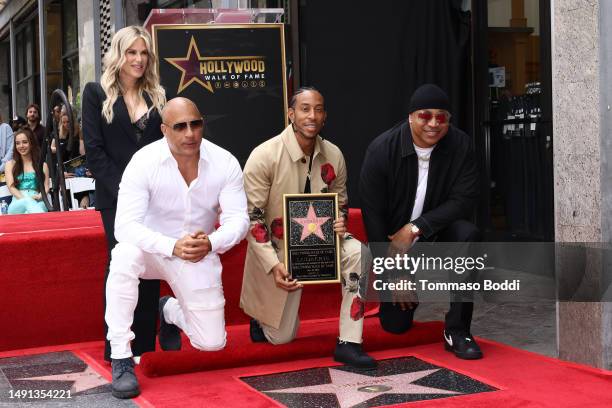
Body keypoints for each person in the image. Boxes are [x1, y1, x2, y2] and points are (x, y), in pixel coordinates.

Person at [105, 97, 248, 399]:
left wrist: (211, 242)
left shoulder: (224, 162)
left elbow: (239, 221)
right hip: (152, 249)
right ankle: (120, 355)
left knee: (212, 343)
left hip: (198, 252)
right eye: (180, 127)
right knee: (123, 255)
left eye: (196, 124)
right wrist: (172, 245)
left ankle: (167, 309)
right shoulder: (144, 162)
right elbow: (124, 227)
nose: (190, 134)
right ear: (164, 130)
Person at [240, 87, 376, 369]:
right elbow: (253, 219)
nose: (311, 115)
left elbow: (340, 201)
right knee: (281, 337)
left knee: (358, 253)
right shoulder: (263, 155)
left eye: (318, 109)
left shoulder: (334, 155)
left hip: (322, 240)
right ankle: (262, 319)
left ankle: (349, 342)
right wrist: (272, 265)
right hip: (278, 249)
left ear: (325, 116)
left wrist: (340, 220)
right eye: (304, 109)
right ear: (291, 114)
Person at [359, 83, 482, 360]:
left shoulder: (460, 145)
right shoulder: (381, 150)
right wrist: (395, 273)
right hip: (394, 244)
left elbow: (464, 199)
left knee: (468, 235)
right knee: (395, 326)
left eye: (442, 117)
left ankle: (458, 330)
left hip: (435, 234)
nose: (434, 123)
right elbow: (374, 219)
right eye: (425, 115)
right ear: (411, 117)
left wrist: (416, 227)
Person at [82, 25, 166, 363]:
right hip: (115, 198)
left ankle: (144, 345)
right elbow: (94, 152)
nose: (138, 59)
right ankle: (117, 345)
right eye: (131, 52)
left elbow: (166, 150)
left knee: (149, 264)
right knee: (122, 264)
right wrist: (128, 191)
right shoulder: (95, 93)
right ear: (119, 55)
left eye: (143, 53)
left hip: (153, 197)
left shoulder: (159, 96)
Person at [4, 128, 50, 214]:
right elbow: (11, 187)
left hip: (37, 199)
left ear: (31, 143)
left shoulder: (43, 165)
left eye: (25, 142)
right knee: (27, 203)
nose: (21, 146)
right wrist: (26, 199)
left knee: (39, 207)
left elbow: (46, 186)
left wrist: (40, 196)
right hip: (18, 202)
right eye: (17, 143)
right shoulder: (10, 164)